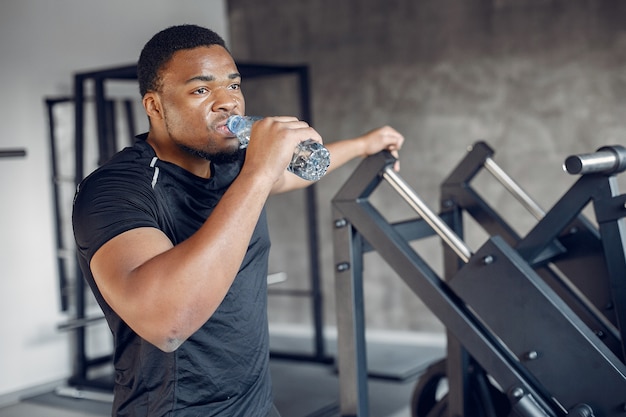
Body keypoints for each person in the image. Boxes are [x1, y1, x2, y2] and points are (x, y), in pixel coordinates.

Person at [72, 24, 404, 417]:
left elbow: (288, 175)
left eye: (233, 85)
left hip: (256, 405)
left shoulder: (227, 165)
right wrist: (257, 174)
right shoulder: (115, 190)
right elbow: (169, 324)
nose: (227, 102)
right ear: (155, 107)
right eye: (201, 90)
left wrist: (366, 144)